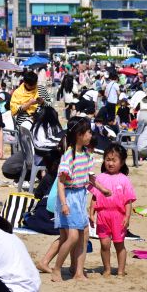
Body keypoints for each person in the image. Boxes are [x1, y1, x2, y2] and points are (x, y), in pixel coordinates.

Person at [52, 118, 112, 282]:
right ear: (79, 135)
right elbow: (61, 183)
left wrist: (102, 189)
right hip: (69, 197)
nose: (90, 135)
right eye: (88, 132)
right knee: (72, 237)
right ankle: (57, 268)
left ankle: (78, 271)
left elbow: (89, 177)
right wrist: (64, 204)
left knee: (84, 234)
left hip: (80, 196)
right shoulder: (68, 156)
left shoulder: (86, 154)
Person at [90, 144, 136, 276]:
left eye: (114, 160)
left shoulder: (125, 180)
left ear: (121, 162)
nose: (110, 163)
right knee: (104, 244)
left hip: (119, 216)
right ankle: (107, 269)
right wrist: (91, 213)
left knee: (119, 244)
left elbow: (128, 201)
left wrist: (127, 217)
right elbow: (94, 197)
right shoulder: (100, 178)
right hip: (103, 215)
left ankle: (121, 270)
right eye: (107, 159)